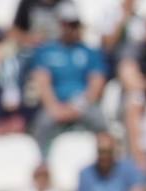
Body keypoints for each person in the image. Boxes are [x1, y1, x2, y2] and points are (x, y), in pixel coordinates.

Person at [28, 4, 108, 154]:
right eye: (67, 24)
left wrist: (79, 106)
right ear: (59, 24)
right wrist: (54, 107)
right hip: (55, 105)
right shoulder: (45, 51)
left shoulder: (90, 52)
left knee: (100, 122)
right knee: (41, 125)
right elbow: (42, 82)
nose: (71, 28)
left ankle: (105, 166)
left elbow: (96, 83)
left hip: (83, 105)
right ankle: (43, 165)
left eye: (74, 24)